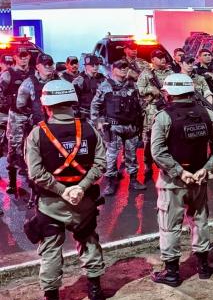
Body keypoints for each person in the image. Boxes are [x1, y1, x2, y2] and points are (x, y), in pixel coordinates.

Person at [25, 80, 107, 300]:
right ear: (72, 101)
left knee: (51, 250)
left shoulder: (37, 134)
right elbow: (101, 164)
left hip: (51, 205)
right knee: (89, 241)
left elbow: (35, 173)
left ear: (47, 104)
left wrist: (62, 191)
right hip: (84, 203)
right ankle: (96, 293)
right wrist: (80, 187)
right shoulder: (89, 129)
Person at [150, 74, 213, 286]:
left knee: (169, 224)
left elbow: (157, 151)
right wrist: (207, 168)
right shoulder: (208, 113)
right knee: (199, 219)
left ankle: (172, 272)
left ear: (168, 94)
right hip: (199, 176)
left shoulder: (164, 116)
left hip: (174, 181)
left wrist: (179, 171)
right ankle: (203, 266)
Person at [91, 60, 145, 195]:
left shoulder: (133, 85)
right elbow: (95, 105)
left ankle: (133, 180)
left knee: (132, 155)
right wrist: (98, 122)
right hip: (113, 127)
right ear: (113, 69)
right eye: (120, 67)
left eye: (125, 67)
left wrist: (140, 123)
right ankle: (110, 182)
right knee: (112, 155)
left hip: (131, 127)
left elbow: (140, 104)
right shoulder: (106, 86)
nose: (123, 69)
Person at [8, 54, 57, 196]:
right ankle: (13, 181)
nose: (49, 67)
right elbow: (20, 105)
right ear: (38, 67)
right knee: (16, 148)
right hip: (23, 117)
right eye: (45, 65)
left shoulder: (58, 80)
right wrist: (30, 119)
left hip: (48, 121)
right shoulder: (29, 83)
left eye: (50, 64)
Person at [137, 49, 173, 182]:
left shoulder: (171, 73)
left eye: (164, 57)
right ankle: (148, 166)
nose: (163, 59)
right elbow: (139, 90)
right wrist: (152, 90)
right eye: (159, 57)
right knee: (150, 138)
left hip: (169, 107)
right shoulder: (146, 74)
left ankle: (167, 165)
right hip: (153, 109)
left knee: (169, 137)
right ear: (152, 60)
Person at [1, 48, 30, 194]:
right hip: (15, 115)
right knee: (13, 146)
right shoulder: (8, 75)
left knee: (33, 147)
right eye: (21, 56)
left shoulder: (33, 74)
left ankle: (32, 178)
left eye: (26, 56)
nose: (23, 59)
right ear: (15, 57)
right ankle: (12, 182)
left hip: (31, 115)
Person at [72, 55, 106, 121]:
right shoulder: (79, 80)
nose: (95, 67)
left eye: (97, 64)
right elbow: (74, 101)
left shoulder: (103, 78)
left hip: (100, 114)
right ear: (86, 66)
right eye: (92, 65)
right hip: (85, 114)